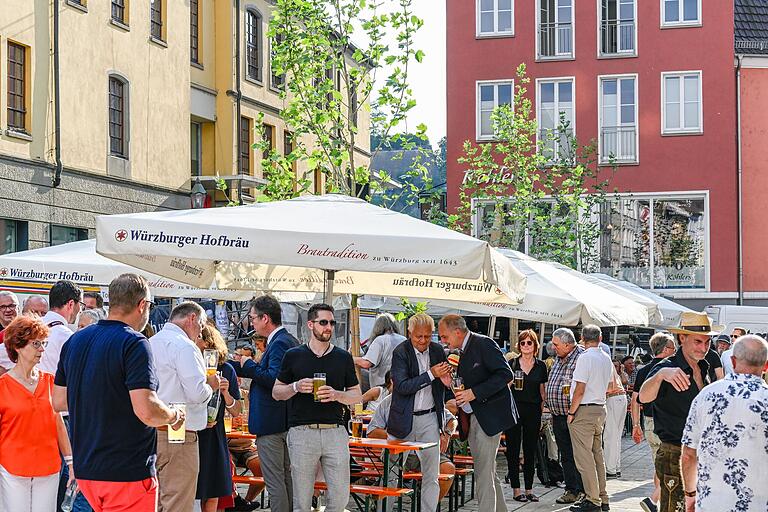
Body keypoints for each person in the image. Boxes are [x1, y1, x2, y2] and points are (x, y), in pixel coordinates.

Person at [53, 273, 185, 512]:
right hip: (126, 471)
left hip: (88, 469)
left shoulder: (75, 341)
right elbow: (146, 411)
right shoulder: (134, 342)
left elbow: (59, 401)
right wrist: (174, 415)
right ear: (142, 305)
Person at [273, 303, 362, 512]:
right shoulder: (294, 355)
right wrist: (295, 387)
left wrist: (337, 394)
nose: (329, 327)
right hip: (302, 433)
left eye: (332, 322)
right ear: (311, 324)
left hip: (335, 432)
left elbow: (357, 395)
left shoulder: (343, 357)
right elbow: (277, 392)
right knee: (302, 502)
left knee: (340, 499)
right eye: (323, 322)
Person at [638, 312, 718, 512]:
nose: (703, 348)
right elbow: (643, 397)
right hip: (675, 453)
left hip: (700, 453)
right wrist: (660, 376)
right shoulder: (667, 366)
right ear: (682, 338)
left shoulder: (704, 366)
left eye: (707, 342)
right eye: (698, 341)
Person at [681, 335, 768, 512]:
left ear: (733, 361)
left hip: (712, 502)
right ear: (766, 365)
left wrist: (690, 495)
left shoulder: (706, 396)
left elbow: (688, 454)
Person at [438, 313, 515, 512]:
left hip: (489, 417)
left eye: (444, 336)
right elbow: (463, 385)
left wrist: (474, 393)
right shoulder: (458, 352)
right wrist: (450, 385)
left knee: (482, 473)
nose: (442, 341)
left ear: (457, 332)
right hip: (471, 417)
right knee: (487, 471)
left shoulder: (483, 344)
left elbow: (506, 374)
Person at [150, 301, 220, 512]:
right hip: (178, 427)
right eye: (201, 325)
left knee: (159, 499)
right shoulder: (184, 346)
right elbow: (197, 393)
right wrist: (211, 385)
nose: (201, 332)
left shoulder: (151, 342)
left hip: (153, 428)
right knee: (178, 501)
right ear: (192, 319)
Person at [0, 316, 74, 511]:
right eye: (36, 344)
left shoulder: (51, 382)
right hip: (11, 469)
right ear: (18, 346)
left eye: (43, 343)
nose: (42, 349)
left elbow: (58, 423)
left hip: (48, 468)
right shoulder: (2, 386)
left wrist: (71, 462)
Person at [234, 295, 299, 512]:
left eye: (253, 318)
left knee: (275, 481)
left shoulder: (280, 342)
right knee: (286, 478)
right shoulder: (288, 340)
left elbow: (274, 380)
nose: (251, 322)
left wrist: (249, 365)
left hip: (272, 423)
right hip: (283, 421)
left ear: (265, 318)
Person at [387, 313, 451, 512]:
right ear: (409, 333)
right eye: (418, 337)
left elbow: (443, 387)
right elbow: (402, 386)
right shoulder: (400, 352)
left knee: (432, 475)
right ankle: (385, 509)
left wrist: (447, 382)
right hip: (403, 419)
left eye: (427, 336)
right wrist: (432, 374)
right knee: (392, 474)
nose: (423, 341)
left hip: (430, 417)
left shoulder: (438, 350)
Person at [367, 390, 457, 502]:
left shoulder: (429, 401)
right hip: (398, 452)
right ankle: (381, 505)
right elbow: (372, 431)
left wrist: (447, 433)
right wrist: (398, 436)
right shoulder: (388, 402)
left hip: (426, 451)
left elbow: (452, 419)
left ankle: (426, 504)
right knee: (390, 475)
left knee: (448, 469)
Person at [566, 325, 614, 512]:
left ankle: (593, 499)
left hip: (584, 410)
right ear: (600, 338)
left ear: (582, 339)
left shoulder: (585, 358)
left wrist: (571, 412)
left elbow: (579, 390)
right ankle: (602, 497)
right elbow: (610, 387)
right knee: (597, 456)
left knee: (584, 459)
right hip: (600, 408)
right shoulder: (606, 357)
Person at [196, 324, 242, 512]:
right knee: (193, 488)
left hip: (214, 434)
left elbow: (237, 410)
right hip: (193, 432)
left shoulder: (226, 369)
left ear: (208, 342)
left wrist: (225, 393)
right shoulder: (189, 364)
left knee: (213, 489)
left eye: (198, 338)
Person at [631, 332, 677, 512]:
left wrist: (636, 425)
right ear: (666, 350)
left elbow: (635, 400)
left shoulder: (643, 370)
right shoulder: (673, 368)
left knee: (659, 463)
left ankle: (655, 500)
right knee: (666, 465)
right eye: (673, 348)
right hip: (665, 422)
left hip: (649, 422)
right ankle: (655, 499)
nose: (675, 351)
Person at [504, 329, 547, 503]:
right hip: (514, 409)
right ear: (519, 345)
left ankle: (529, 489)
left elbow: (542, 392)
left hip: (533, 410)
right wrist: (511, 382)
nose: (526, 346)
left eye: (529, 342)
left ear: (535, 345)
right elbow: (504, 388)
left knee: (530, 450)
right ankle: (516, 489)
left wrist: (544, 412)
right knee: (513, 450)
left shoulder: (541, 366)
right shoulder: (512, 363)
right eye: (523, 343)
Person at [545, 327, 585, 504]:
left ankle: (583, 490)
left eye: (556, 344)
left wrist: (572, 412)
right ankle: (572, 490)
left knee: (579, 455)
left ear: (568, 344)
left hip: (575, 415)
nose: (553, 348)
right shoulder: (558, 358)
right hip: (558, 415)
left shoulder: (581, 357)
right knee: (566, 455)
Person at [353, 313, 406, 388]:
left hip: (383, 387)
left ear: (377, 326)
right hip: (401, 384)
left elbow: (367, 363)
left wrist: (350, 358)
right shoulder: (403, 339)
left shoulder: (380, 340)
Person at [603, 354, 627, 480]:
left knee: (610, 436)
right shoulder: (607, 362)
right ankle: (615, 468)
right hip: (619, 397)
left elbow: (609, 385)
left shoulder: (605, 363)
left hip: (613, 397)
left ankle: (610, 469)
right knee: (615, 436)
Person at [0, 290, 20, 374]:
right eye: (3, 307)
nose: (8, 310)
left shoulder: (27, 330)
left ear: (18, 308)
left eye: (12, 306)